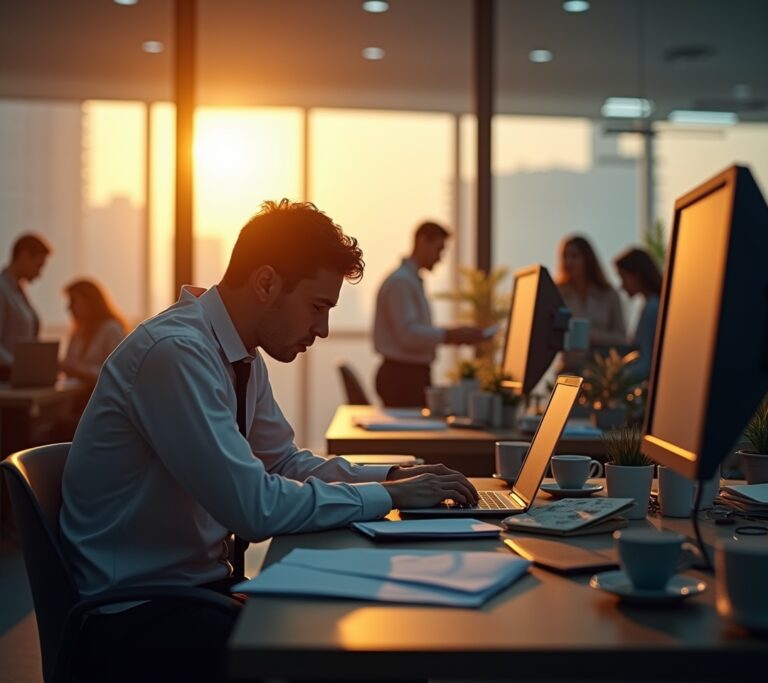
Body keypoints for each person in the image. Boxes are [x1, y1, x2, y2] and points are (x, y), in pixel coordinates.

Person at [60, 200, 478, 683]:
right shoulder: (176, 354)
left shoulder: (239, 355)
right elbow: (253, 508)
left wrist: (391, 476)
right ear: (265, 283)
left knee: (380, 628)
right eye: (317, 307)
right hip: (136, 620)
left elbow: (282, 462)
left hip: (196, 594)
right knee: (369, 652)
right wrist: (386, 497)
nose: (322, 330)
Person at [373, 221, 485, 407]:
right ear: (422, 241)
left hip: (408, 375)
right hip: (403, 378)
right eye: (439, 249)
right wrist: (449, 335)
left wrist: (450, 336)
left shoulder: (408, 281)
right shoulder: (401, 283)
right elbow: (407, 335)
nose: (440, 258)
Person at [556, 234, 625, 373]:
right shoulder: (557, 294)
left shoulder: (609, 294)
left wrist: (591, 336)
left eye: (574, 256)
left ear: (587, 259)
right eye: (565, 257)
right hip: (568, 371)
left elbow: (622, 337)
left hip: (601, 375)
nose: (568, 262)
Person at [0, 233, 52, 379]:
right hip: (6, 380)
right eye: (38, 265)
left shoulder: (18, 292)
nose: (39, 274)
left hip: (19, 377)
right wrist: (20, 366)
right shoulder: (2, 290)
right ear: (24, 256)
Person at [60, 278, 127, 384]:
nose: (69, 307)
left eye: (73, 301)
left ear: (89, 301)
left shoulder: (111, 329)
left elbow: (118, 373)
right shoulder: (78, 333)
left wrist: (80, 370)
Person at [613, 246, 663, 383]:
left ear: (637, 275)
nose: (621, 286)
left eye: (623, 276)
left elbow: (646, 361)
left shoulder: (653, 308)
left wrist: (614, 380)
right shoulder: (650, 304)